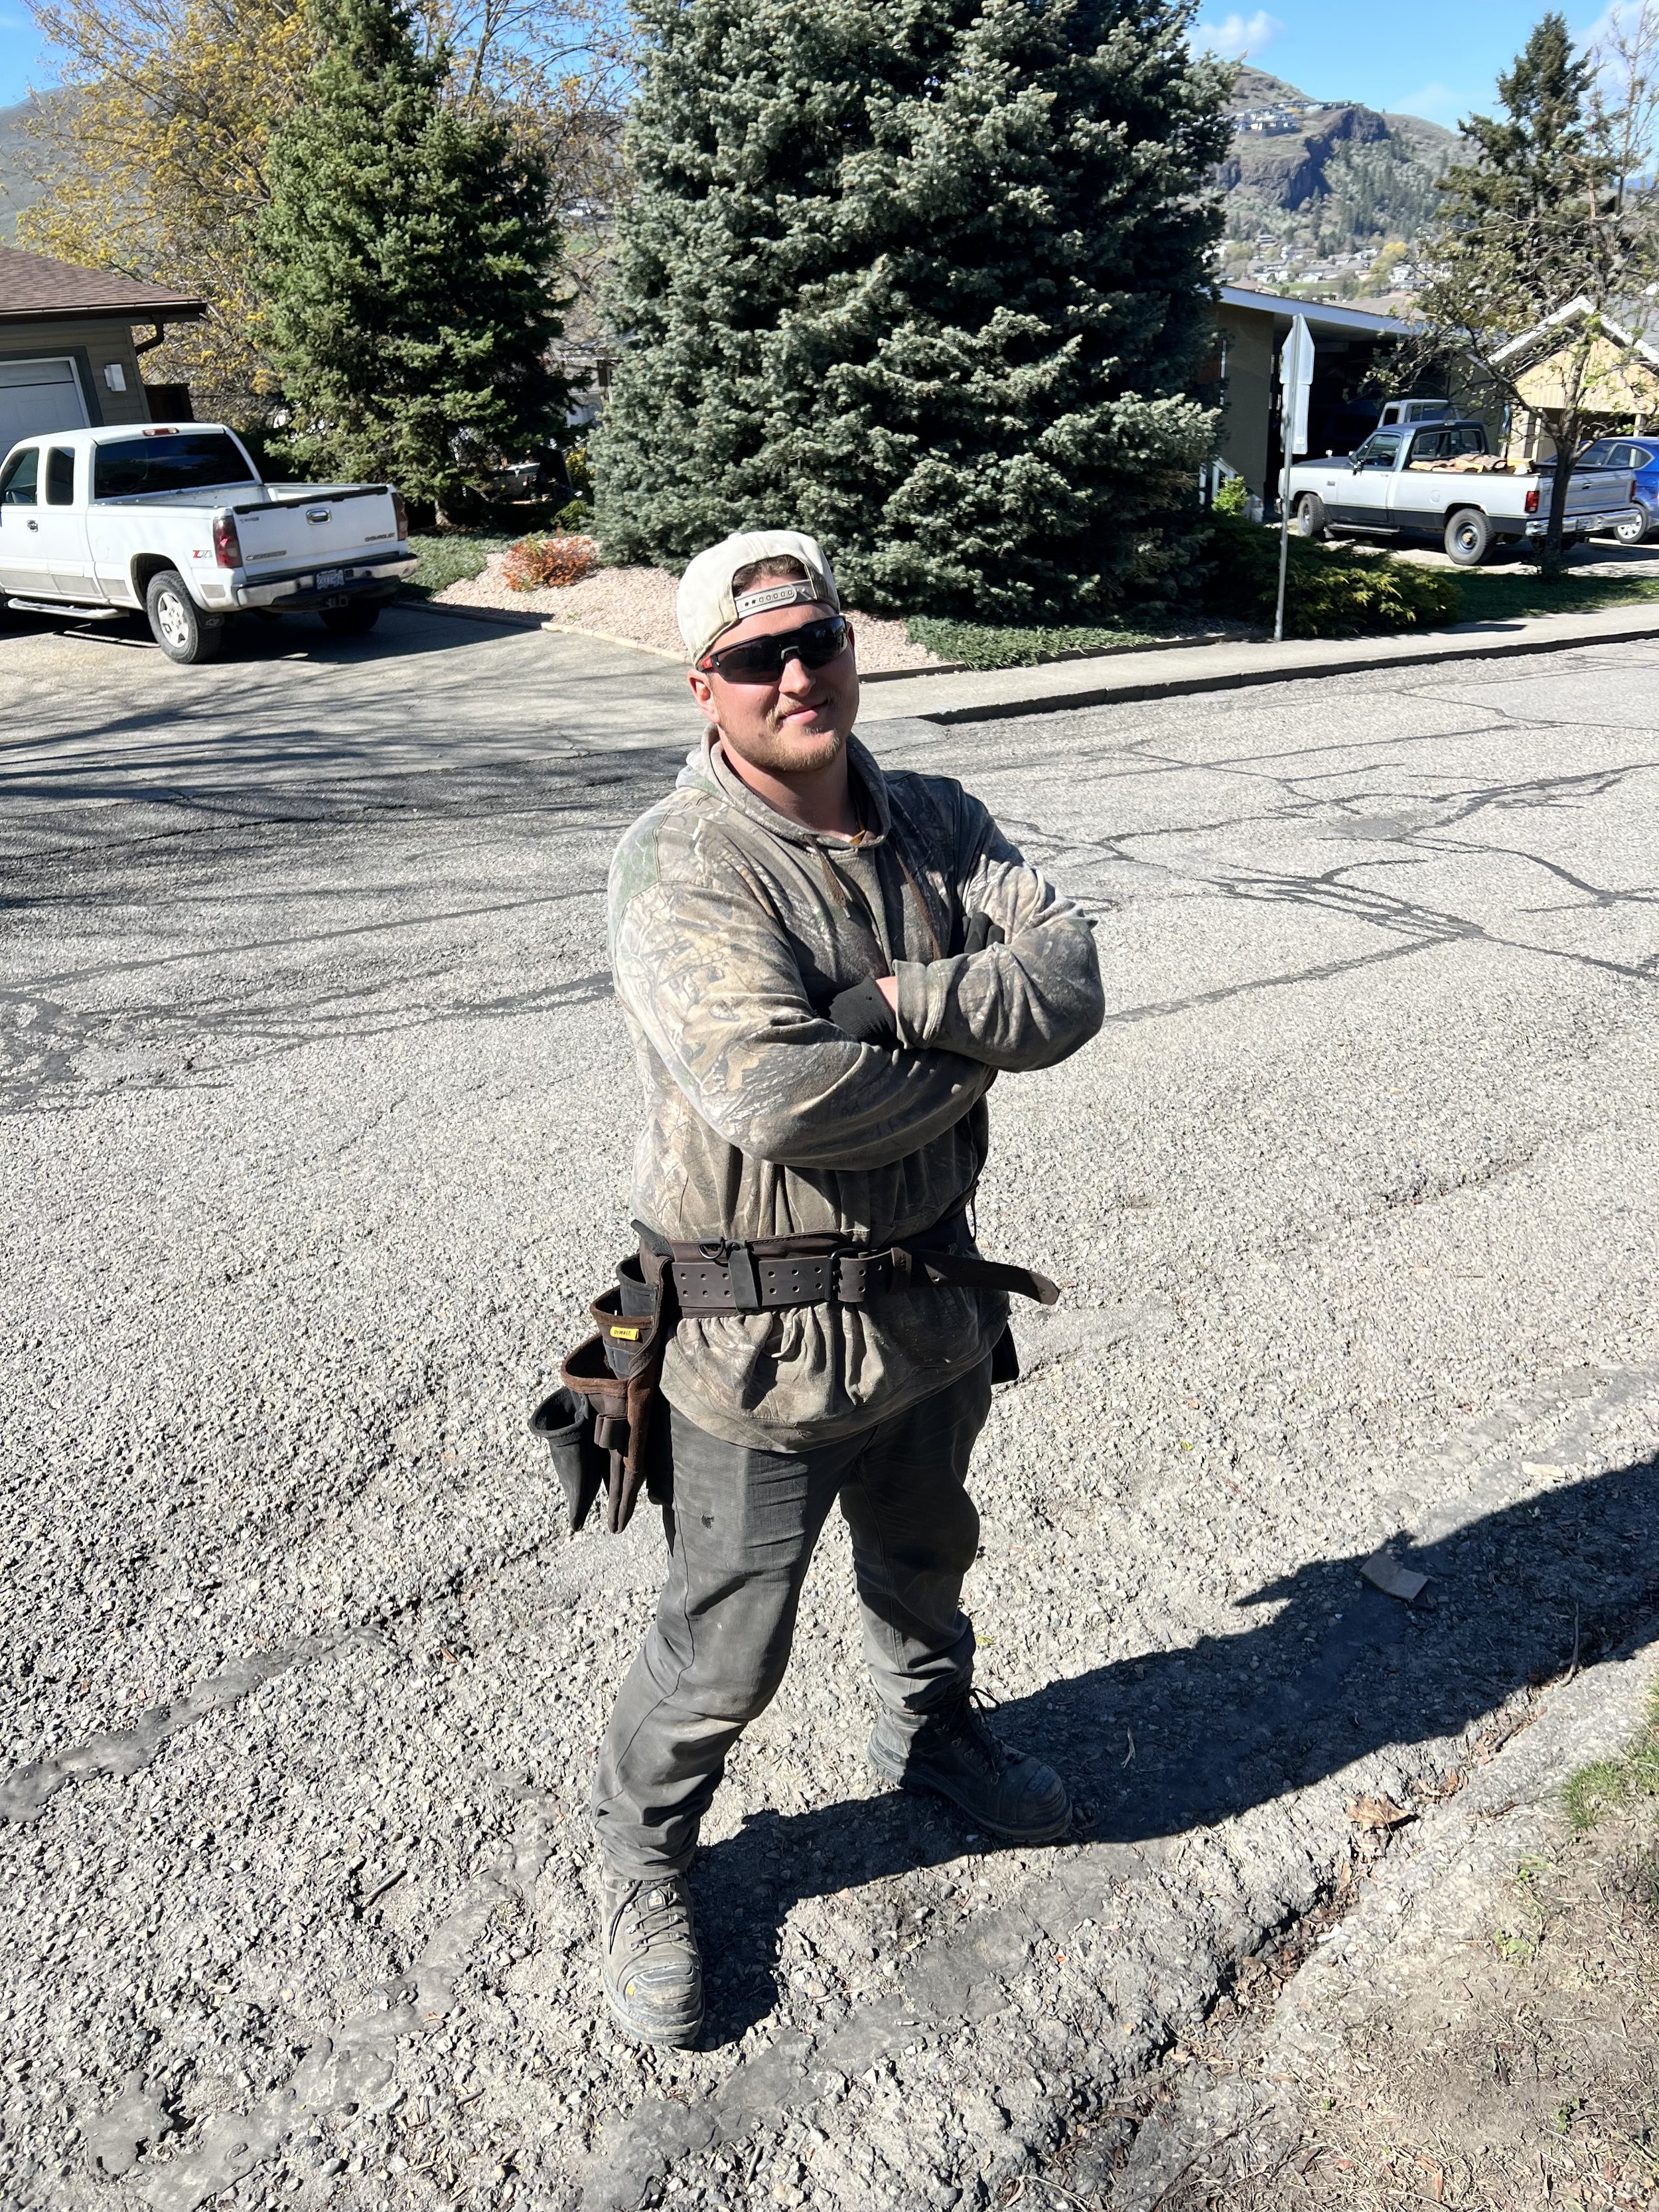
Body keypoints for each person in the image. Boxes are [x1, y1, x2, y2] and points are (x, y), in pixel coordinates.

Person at [592, 528, 1104, 2047]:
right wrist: (974, 1053)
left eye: (815, 639)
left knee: (928, 1559)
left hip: (934, 1304)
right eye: (756, 657)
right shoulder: (681, 860)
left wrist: (890, 1001)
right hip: (753, 1337)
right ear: (706, 686)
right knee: (725, 1641)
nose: (796, 672)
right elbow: (773, 1092)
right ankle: (645, 1856)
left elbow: (1068, 979)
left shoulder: (939, 815)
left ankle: (932, 1745)